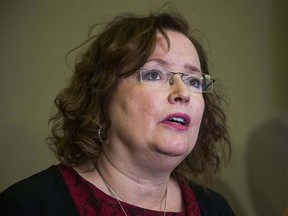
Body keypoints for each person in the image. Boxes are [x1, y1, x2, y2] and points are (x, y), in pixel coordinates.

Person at [0, 10, 234, 216]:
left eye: (193, 81)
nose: (182, 93)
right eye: (154, 74)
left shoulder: (216, 208)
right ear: (103, 94)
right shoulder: (27, 205)